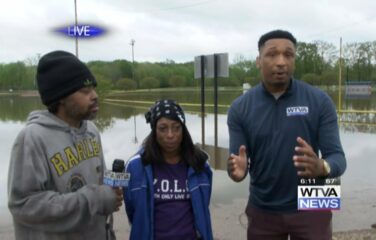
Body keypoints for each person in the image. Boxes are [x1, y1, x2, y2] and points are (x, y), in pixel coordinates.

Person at [227, 30, 346, 240]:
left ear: (294, 61)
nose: (281, 62)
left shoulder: (320, 101)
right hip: (263, 203)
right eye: (272, 54)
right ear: (258, 61)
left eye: (288, 55)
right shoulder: (239, 108)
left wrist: (322, 167)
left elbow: (338, 158)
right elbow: (238, 164)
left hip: (315, 196)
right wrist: (238, 171)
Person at [7, 50, 123, 240]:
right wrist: (94, 200)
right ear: (61, 96)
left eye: (93, 88)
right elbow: (23, 205)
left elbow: (98, 182)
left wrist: (112, 187)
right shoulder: (32, 138)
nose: (94, 95)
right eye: (85, 91)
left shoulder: (91, 130)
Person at [123, 99, 213, 240]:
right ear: (154, 129)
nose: (170, 135)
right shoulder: (135, 167)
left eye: (176, 127)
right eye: (163, 128)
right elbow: (132, 211)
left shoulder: (200, 164)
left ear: (183, 129)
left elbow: (202, 206)